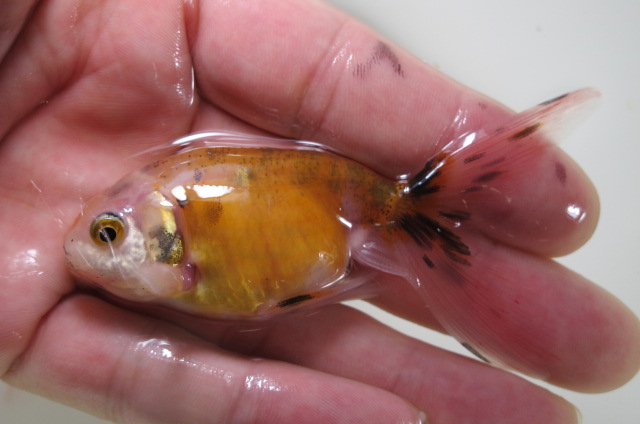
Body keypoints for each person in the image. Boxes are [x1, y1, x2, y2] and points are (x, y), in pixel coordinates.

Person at [0, 1, 638, 423]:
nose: (91, 245)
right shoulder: (171, 244)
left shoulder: (179, 230)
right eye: (106, 233)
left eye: (109, 233)